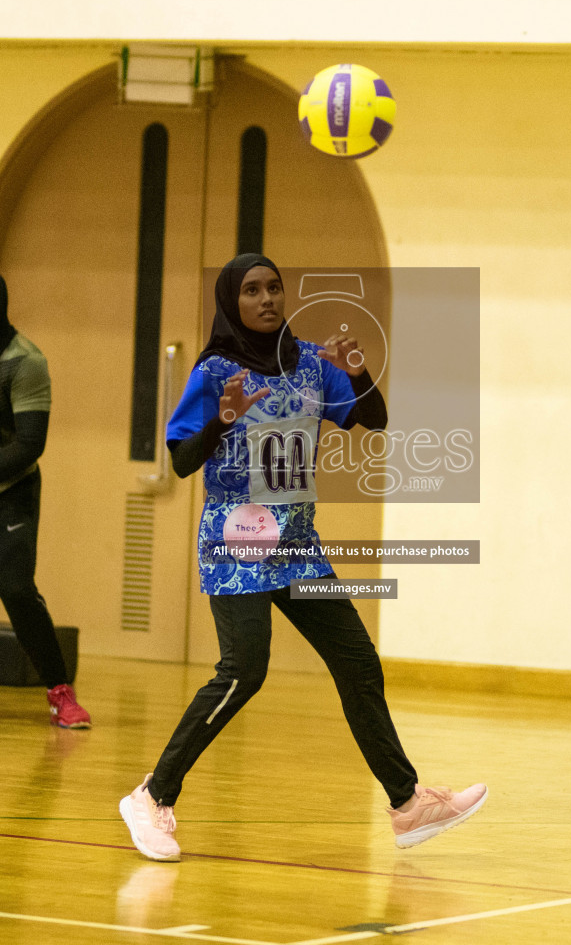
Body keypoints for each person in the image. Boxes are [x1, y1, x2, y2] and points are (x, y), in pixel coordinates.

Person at [119, 254, 486, 861]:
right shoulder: (215, 372)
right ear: (231, 303)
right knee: (244, 670)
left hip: (297, 546)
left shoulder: (314, 364)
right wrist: (222, 418)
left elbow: (375, 419)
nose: (266, 298)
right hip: (238, 543)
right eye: (252, 291)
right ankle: (152, 794)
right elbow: (183, 461)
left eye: (274, 287)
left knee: (359, 663)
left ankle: (408, 804)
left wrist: (360, 372)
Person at [0, 275, 91, 729]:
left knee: (15, 588)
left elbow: (28, 445)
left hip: (10, 490)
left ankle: (60, 692)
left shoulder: (24, 362)